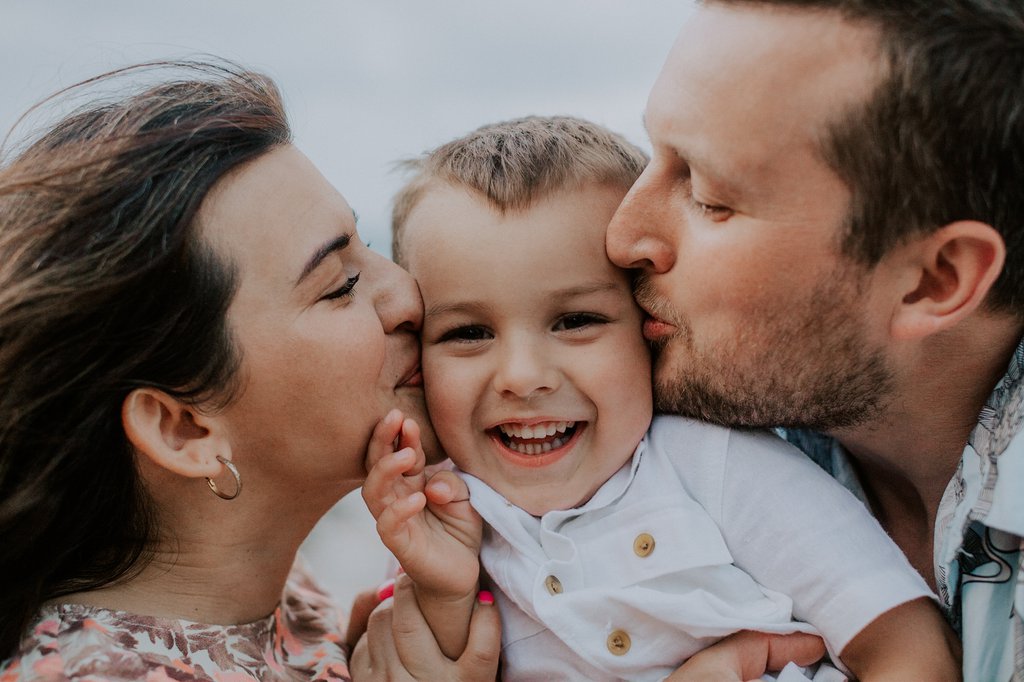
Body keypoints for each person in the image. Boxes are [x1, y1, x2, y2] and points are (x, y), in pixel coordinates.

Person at [361, 115, 959, 681]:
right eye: (468, 333)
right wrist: (445, 595)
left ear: (649, 326)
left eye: (575, 320)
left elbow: (909, 646)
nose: (522, 377)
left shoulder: (716, 465)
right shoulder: (439, 513)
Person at [0, 61, 499, 681]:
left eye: (366, 245)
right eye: (341, 285)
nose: (407, 294)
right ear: (183, 429)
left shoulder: (275, 599)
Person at [604, 1, 1024, 679]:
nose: (622, 237)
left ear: (933, 281)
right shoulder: (644, 456)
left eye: (708, 196)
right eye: (651, 155)